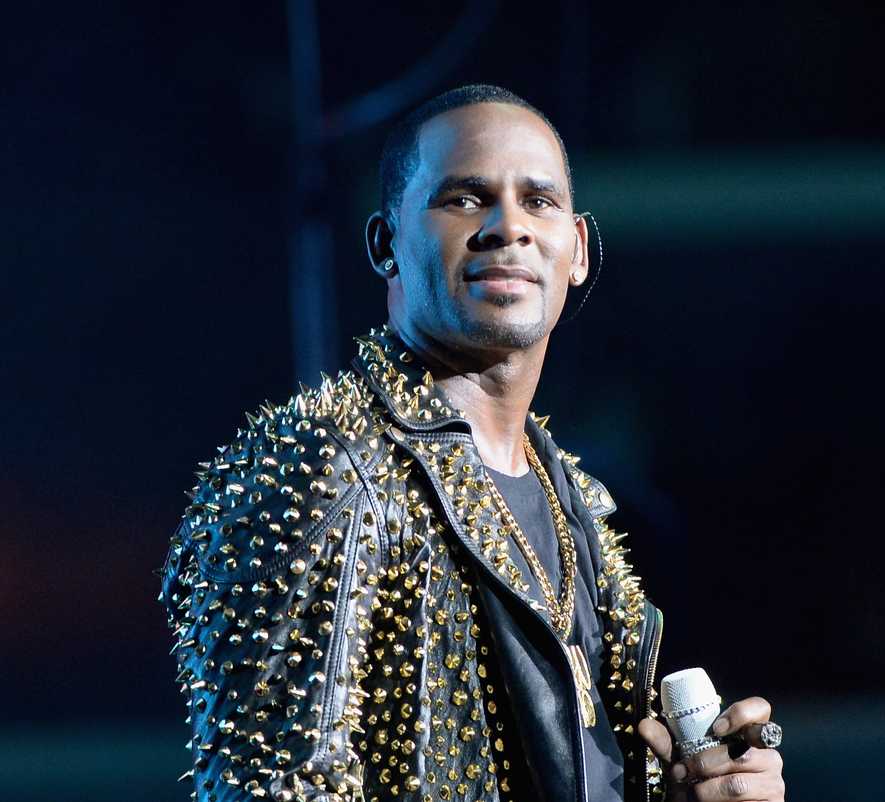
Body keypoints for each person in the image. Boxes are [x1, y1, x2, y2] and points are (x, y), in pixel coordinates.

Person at [159, 84, 785, 802]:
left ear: (577, 251)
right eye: (464, 198)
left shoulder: (573, 500)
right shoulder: (322, 466)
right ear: (386, 243)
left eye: (538, 201)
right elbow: (278, 787)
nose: (506, 226)